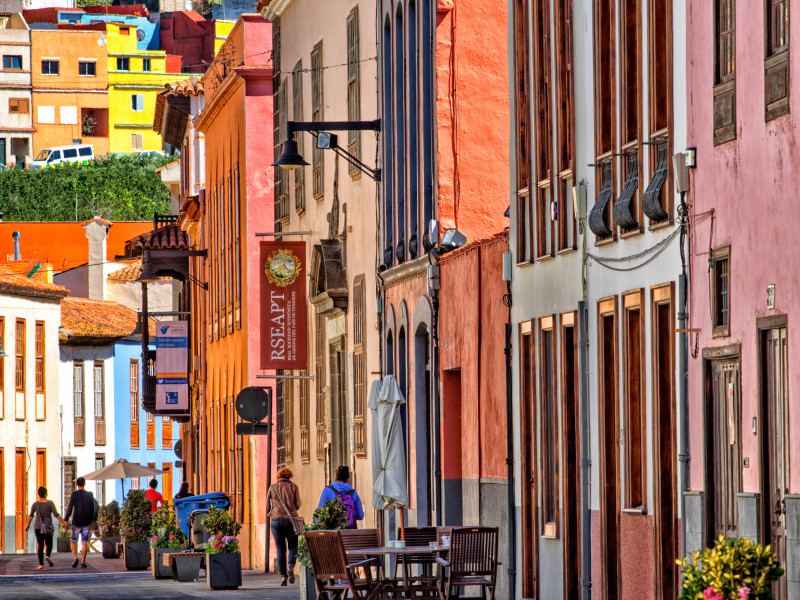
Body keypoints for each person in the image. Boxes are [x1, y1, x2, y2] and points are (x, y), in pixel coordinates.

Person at [268, 468, 302, 587]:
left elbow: (267, 505)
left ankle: (283, 576)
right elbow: (298, 504)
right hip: (290, 521)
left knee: (280, 549)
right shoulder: (294, 487)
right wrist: (292, 510)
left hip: (275, 521)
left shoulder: (273, 487)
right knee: (293, 546)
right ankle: (291, 565)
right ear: (290, 476)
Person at [25, 486, 68, 569]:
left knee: (40, 545)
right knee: (49, 544)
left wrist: (28, 525)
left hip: (38, 527)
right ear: (45, 494)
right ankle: (47, 555)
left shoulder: (35, 504)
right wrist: (63, 522)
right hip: (48, 526)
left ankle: (41, 564)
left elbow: (31, 515)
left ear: (38, 495)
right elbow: (56, 515)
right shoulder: (50, 503)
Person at [64, 477, 99, 568]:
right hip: (86, 522)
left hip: (76, 521)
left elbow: (70, 508)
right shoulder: (89, 495)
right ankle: (83, 561)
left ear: (76, 484)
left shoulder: (74, 494)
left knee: (73, 541)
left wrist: (66, 519)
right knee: (84, 542)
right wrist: (90, 520)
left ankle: (75, 558)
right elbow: (92, 509)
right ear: (84, 484)